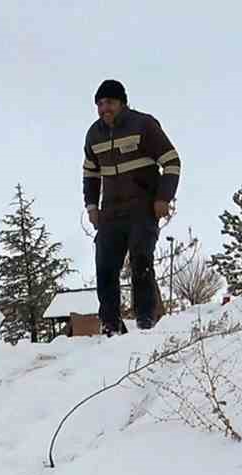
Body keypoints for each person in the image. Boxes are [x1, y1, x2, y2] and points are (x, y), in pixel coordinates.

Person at [82, 79, 182, 335]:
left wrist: (163, 198)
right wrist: (92, 206)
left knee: (141, 261)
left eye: (110, 103)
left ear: (122, 103)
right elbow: (90, 174)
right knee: (104, 266)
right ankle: (111, 323)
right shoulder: (94, 134)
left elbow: (171, 162)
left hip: (142, 208)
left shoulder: (144, 124)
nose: (105, 108)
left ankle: (146, 320)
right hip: (110, 212)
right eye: (100, 104)